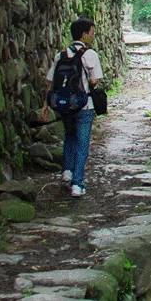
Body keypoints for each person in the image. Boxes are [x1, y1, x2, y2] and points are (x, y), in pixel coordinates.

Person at [41, 17, 103, 198]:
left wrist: (45, 104)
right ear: (84, 34)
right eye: (92, 33)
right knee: (82, 144)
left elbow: (49, 81)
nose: (93, 36)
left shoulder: (60, 55)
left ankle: (67, 172)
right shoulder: (90, 55)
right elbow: (94, 81)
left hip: (64, 105)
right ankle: (78, 183)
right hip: (84, 106)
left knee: (69, 136)